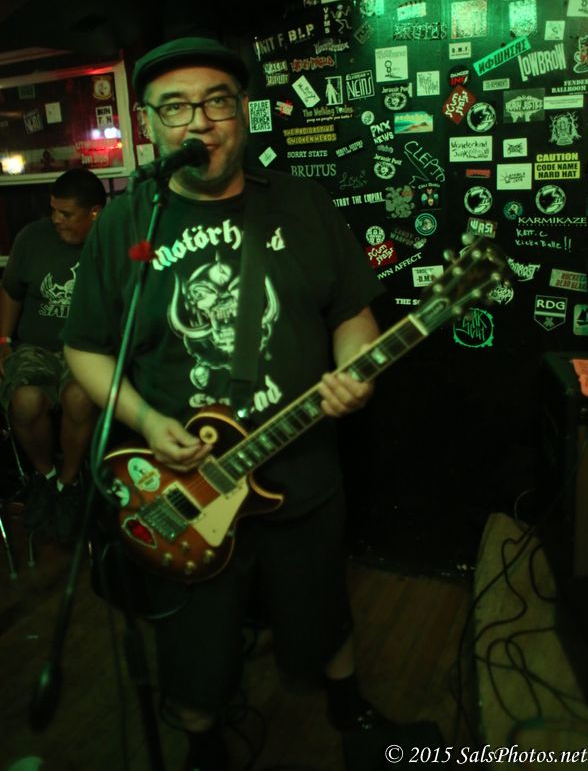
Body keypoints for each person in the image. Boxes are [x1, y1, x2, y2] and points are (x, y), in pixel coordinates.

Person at [62, 37, 386, 771]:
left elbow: (352, 312)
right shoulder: (126, 223)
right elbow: (85, 348)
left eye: (216, 102)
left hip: (300, 467)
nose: (199, 122)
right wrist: (147, 422)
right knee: (194, 638)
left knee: (320, 602)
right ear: (149, 125)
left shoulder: (302, 204)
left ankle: (349, 707)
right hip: (182, 485)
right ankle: (203, 742)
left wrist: (354, 372)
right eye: (175, 108)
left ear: (243, 114)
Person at [0, 169, 107, 542]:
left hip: (89, 349)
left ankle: (68, 484)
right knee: (25, 401)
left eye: (66, 214)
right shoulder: (32, 238)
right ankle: (45, 477)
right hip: (36, 348)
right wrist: (2, 339)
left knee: (79, 397)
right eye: (53, 211)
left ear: (94, 212)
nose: (56, 220)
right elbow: (11, 290)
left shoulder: (112, 242)